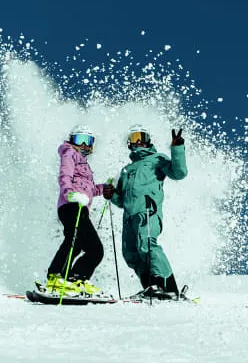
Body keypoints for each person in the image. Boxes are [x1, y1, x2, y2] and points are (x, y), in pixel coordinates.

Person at [103, 124, 187, 298]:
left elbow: (179, 173)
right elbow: (122, 200)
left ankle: (166, 286)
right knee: (131, 254)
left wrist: (177, 148)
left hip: (148, 211)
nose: (139, 141)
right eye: (134, 138)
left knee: (147, 245)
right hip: (129, 217)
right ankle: (151, 286)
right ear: (129, 143)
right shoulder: (126, 170)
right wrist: (111, 194)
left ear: (149, 140)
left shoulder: (157, 159)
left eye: (142, 137)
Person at [45, 125, 110, 295]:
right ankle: (56, 277)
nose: (83, 144)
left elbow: (89, 190)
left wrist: (104, 188)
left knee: (88, 247)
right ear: (71, 140)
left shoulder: (85, 166)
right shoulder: (69, 153)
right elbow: (64, 176)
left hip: (81, 207)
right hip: (71, 205)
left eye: (87, 141)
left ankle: (75, 279)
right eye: (79, 139)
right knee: (77, 242)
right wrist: (70, 194)